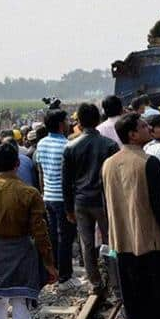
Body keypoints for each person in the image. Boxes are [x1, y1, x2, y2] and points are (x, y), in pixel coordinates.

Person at [102, 113, 160, 319]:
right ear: (132, 134)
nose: (148, 127)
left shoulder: (108, 165)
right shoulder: (148, 163)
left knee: (136, 304)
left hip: (122, 244)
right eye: (142, 126)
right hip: (153, 245)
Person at [0, 143, 57, 319]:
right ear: (17, 163)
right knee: (21, 303)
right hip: (21, 251)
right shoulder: (30, 193)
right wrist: (49, 262)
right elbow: (40, 232)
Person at [62, 103, 120, 295]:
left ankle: (95, 282)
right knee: (110, 242)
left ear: (79, 122)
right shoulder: (109, 145)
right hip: (104, 201)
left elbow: (66, 181)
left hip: (81, 202)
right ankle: (115, 280)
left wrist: (69, 208)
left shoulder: (70, 147)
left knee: (86, 244)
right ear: (98, 120)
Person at [35, 109, 80, 291]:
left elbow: (40, 171)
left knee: (53, 235)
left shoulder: (41, 143)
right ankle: (65, 276)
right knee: (66, 237)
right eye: (67, 120)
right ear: (61, 125)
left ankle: (53, 272)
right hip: (63, 198)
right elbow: (70, 177)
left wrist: (43, 192)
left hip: (48, 196)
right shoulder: (67, 146)